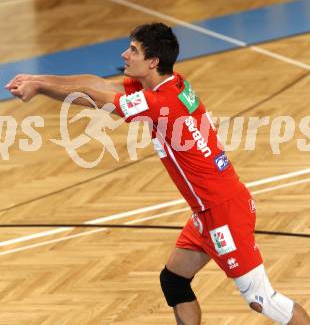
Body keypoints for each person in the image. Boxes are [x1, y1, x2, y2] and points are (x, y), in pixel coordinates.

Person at [6, 23, 310, 325]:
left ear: (153, 62)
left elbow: (93, 96)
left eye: (133, 50)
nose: (125, 54)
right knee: (174, 281)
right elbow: (98, 84)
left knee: (262, 300)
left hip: (224, 213)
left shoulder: (160, 102)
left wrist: (41, 87)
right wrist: (38, 78)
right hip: (208, 212)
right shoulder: (167, 83)